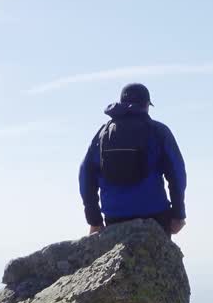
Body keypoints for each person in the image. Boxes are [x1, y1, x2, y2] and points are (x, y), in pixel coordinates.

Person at [79, 83, 187, 236]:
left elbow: (85, 175)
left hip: (114, 217)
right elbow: (177, 174)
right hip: (154, 216)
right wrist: (178, 214)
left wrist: (94, 220)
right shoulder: (159, 131)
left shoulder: (103, 134)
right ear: (146, 105)